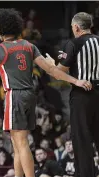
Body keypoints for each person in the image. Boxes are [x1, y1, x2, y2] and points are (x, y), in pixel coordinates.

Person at [0, 9, 91, 177]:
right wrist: (75, 81)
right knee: (17, 143)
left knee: (21, 144)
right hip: (30, 95)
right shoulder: (29, 46)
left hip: (15, 96)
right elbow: (52, 70)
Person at [46, 12, 99, 177]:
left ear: (76, 27)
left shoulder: (73, 43)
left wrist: (51, 65)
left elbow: (58, 73)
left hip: (82, 95)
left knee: (82, 138)